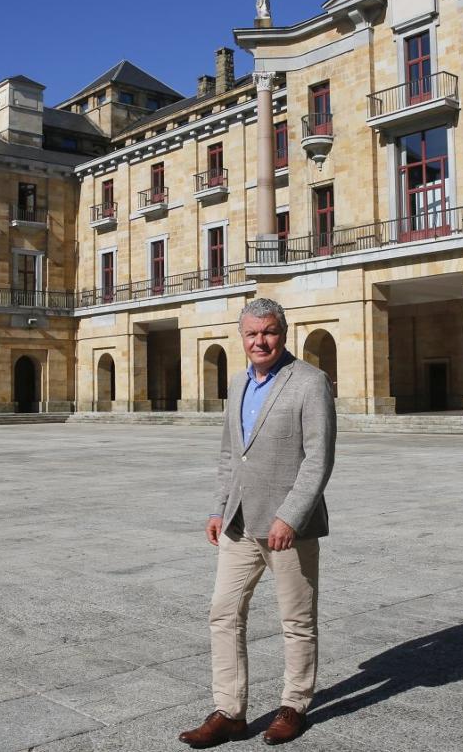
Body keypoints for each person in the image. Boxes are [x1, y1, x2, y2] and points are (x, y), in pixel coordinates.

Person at [179, 298, 337, 747]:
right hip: (239, 524)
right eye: (251, 333)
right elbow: (232, 455)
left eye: (267, 332)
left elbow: (318, 459)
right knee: (223, 613)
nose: (259, 341)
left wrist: (292, 514)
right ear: (241, 336)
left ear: (282, 334)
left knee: (297, 619)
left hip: (290, 529)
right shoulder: (238, 383)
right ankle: (229, 711)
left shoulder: (309, 382)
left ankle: (294, 705)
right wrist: (218, 507)